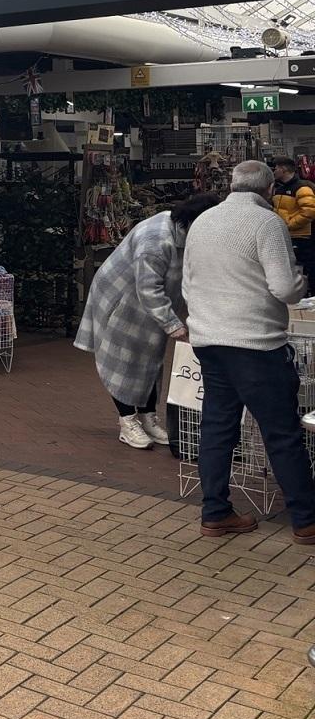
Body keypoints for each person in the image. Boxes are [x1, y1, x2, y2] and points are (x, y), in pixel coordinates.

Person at [182, 160, 314, 542]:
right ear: (269, 189)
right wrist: (300, 281)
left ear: (233, 185)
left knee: (217, 428)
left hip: (209, 341)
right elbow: (285, 288)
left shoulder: (203, 222)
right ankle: (305, 520)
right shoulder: (267, 223)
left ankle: (215, 513)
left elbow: (188, 285)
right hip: (256, 344)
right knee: (281, 432)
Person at [75, 194, 218, 449]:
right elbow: (148, 288)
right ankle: (127, 421)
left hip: (152, 304)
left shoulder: (185, 233)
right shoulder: (156, 239)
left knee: (152, 359)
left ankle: (148, 417)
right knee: (125, 361)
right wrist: (173, 324)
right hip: (121, 299)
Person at [272, 157, 315, 284]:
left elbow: (310, 211)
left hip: (302, 238)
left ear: (283, 169)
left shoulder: (302, 188)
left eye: (276, 168)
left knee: (308, 269)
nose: (274, 171)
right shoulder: (278, 189)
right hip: (286, 237)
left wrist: (289, 224)